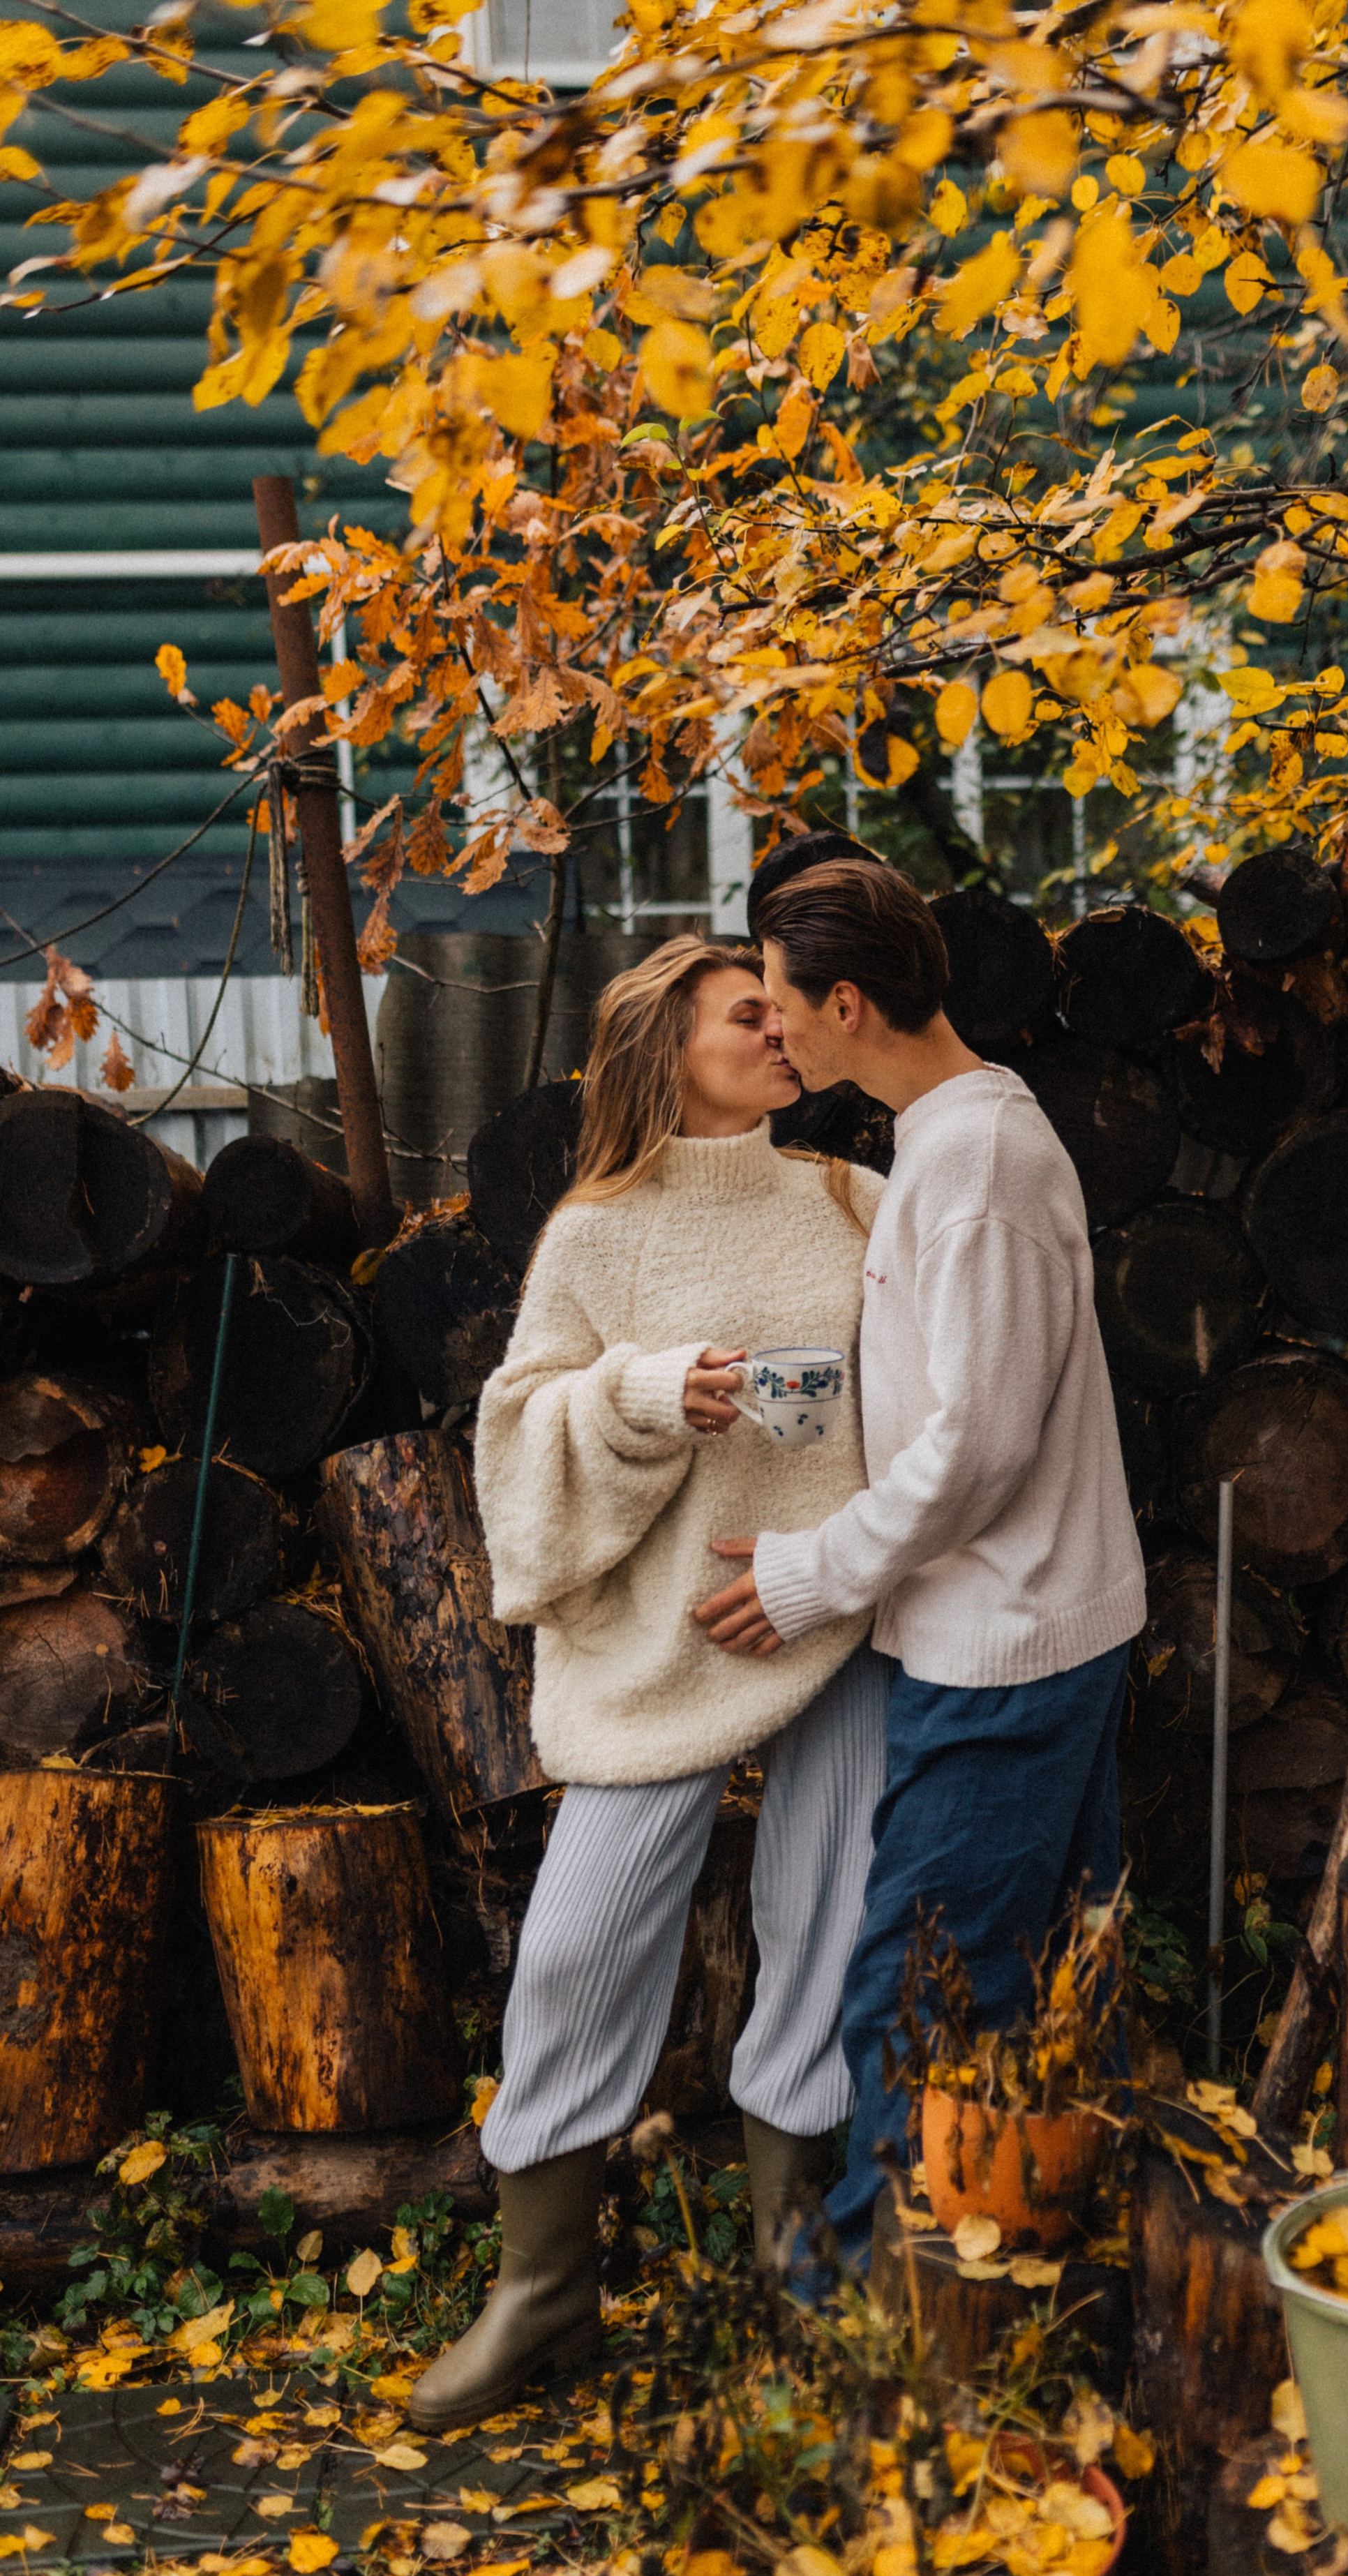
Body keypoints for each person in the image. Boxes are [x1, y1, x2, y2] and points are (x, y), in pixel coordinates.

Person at [411, 934, 890, 2429]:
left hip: (835, 1615)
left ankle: (794, 2254)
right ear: (666, 1054)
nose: (780, 1028)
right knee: (575, 1948)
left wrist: (837, 1564)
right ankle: (544, 2295)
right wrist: (634, 1392)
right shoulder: (598, 1231)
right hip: (667, 1639)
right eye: (745, 1015)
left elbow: (930, 1410)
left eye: (781, 1009)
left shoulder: (857, 1203)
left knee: (822, 1928)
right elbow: (520, 1424)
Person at [693, 858, 1145, 2268]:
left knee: (915, 1996)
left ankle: (867, 2310)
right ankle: (1015, 2273)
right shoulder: (939, 1151)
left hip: (1007, 1651)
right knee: (1024, 1998)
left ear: (847, 1002)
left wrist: (804, 1576)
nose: (771, 1031)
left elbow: (977, 1448)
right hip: (1004, 1632)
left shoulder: (979, 1171)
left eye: (777, 1003)